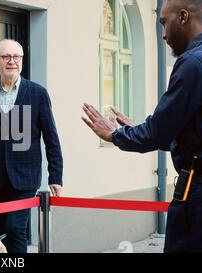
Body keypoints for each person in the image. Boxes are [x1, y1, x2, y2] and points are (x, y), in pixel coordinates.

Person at [82, 0, 202, 253]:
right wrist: (139, 129)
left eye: (163, 23)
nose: (164, 35)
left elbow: (156, 133)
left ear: (182, 16)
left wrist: (115, 134)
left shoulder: (192, 64)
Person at [0, 39, 64, 253]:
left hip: (26, 177)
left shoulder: (37, 93)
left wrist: (55, 176)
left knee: (15, 228)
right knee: (1, 231)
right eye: (6, 57)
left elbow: (51, 138)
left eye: (16, 57)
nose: (12, 61)